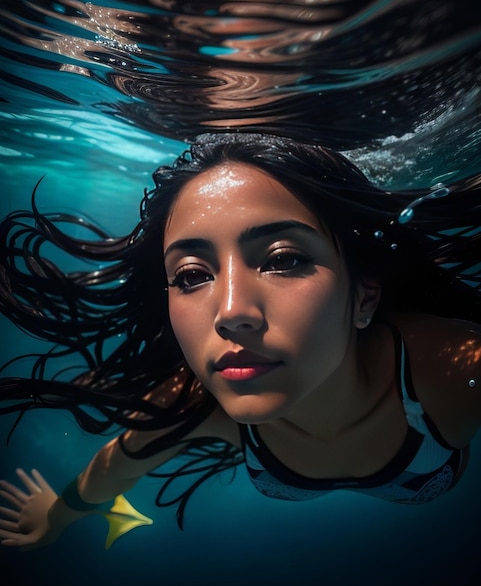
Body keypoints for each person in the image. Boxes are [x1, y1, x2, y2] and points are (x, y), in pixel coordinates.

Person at [0, 132, 480, 551]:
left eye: (284, 259)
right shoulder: (192, 403)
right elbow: (117, 468)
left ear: (364, 296)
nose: (231, 313)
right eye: (191, 275)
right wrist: (57, 516)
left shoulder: (459, 369)